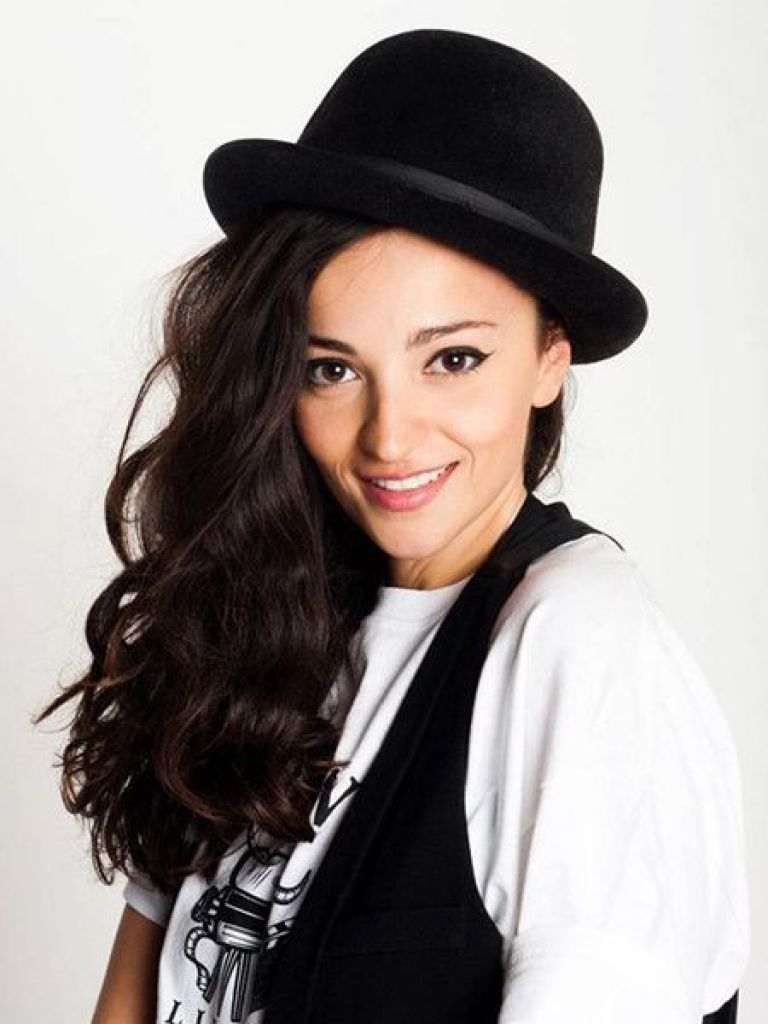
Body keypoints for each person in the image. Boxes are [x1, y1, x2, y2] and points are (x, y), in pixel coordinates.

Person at [33, 28, 749, 1024]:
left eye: (452, 359)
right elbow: (136, 996)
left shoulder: (579, 644)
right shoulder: (263, 618)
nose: (389, 436)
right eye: (332, 369)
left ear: (550, 356)